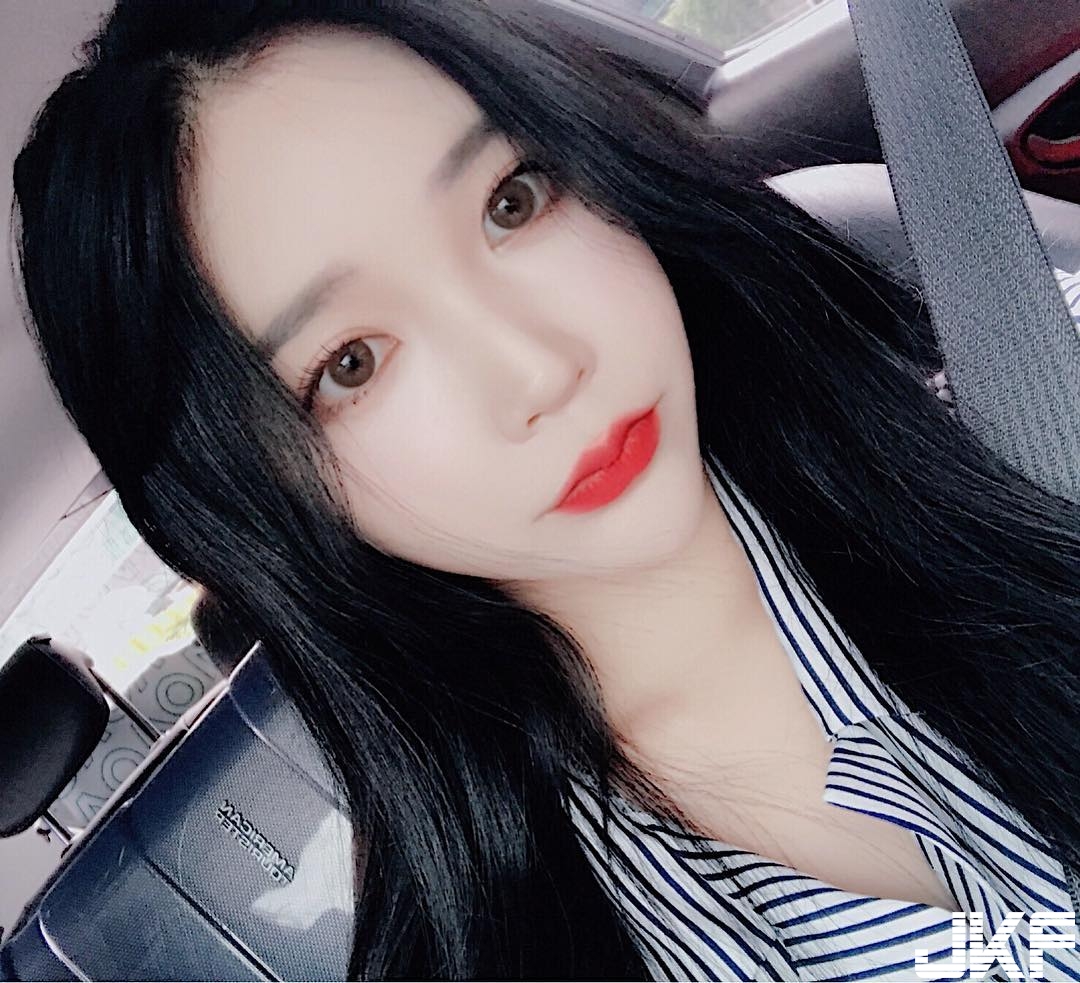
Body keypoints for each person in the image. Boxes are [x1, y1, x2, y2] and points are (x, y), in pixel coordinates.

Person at [11, 2, 1080, 978]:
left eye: (511, 202)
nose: (540, 369)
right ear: (256, 498)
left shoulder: (1031, 400)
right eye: (352, 363)